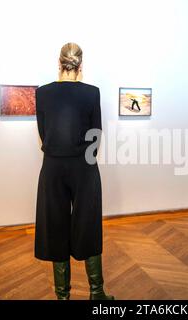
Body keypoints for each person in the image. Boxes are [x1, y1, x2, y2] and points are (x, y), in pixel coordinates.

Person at [34, 42, 114, 300]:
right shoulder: (92, 93)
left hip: (53, 166)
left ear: (59, 63)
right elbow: (96, 133)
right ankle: (96, 292)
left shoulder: (43, 93)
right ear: (81, 66)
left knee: (55, 226)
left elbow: (43, 132)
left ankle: (63, 296)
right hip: (84, 166)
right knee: (88, 224)